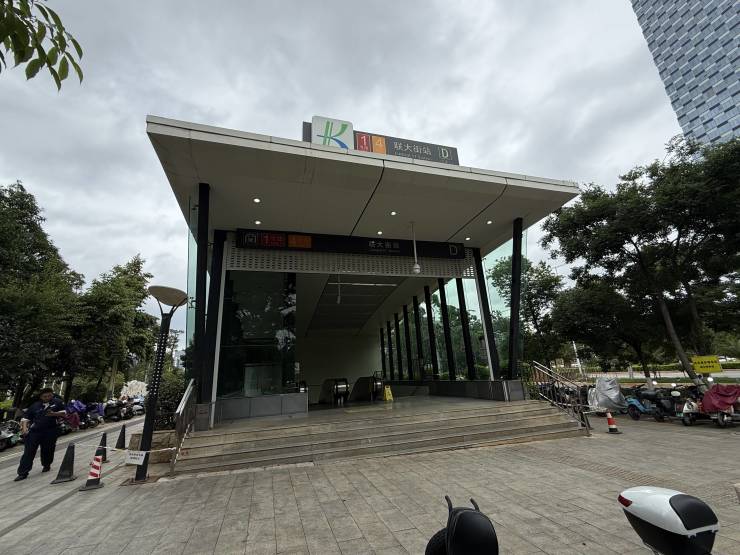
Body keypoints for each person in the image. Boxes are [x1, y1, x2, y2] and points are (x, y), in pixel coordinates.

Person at [14, 388, 66, 481]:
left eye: (49, 395)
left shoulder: (58, 402)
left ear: (52, 394)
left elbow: (64, 413)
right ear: (40, 397)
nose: (47, 398)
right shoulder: (35, 405)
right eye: (45, 396)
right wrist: (24, 429)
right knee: (29, 451)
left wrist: (54, 414)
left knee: (48, 449)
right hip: (35, 431)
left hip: (51, 430)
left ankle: (46, 465)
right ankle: (22, 473)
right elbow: (25, 419)